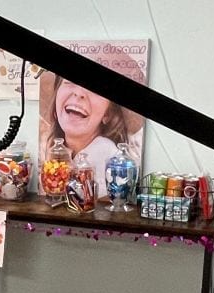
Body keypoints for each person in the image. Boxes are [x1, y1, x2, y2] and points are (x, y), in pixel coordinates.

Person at [39, 45, 146, 197]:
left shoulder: (108, 160)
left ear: (108, 114)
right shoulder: (52, 156)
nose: (79, 93)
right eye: (70, 80)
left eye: (95, 88)